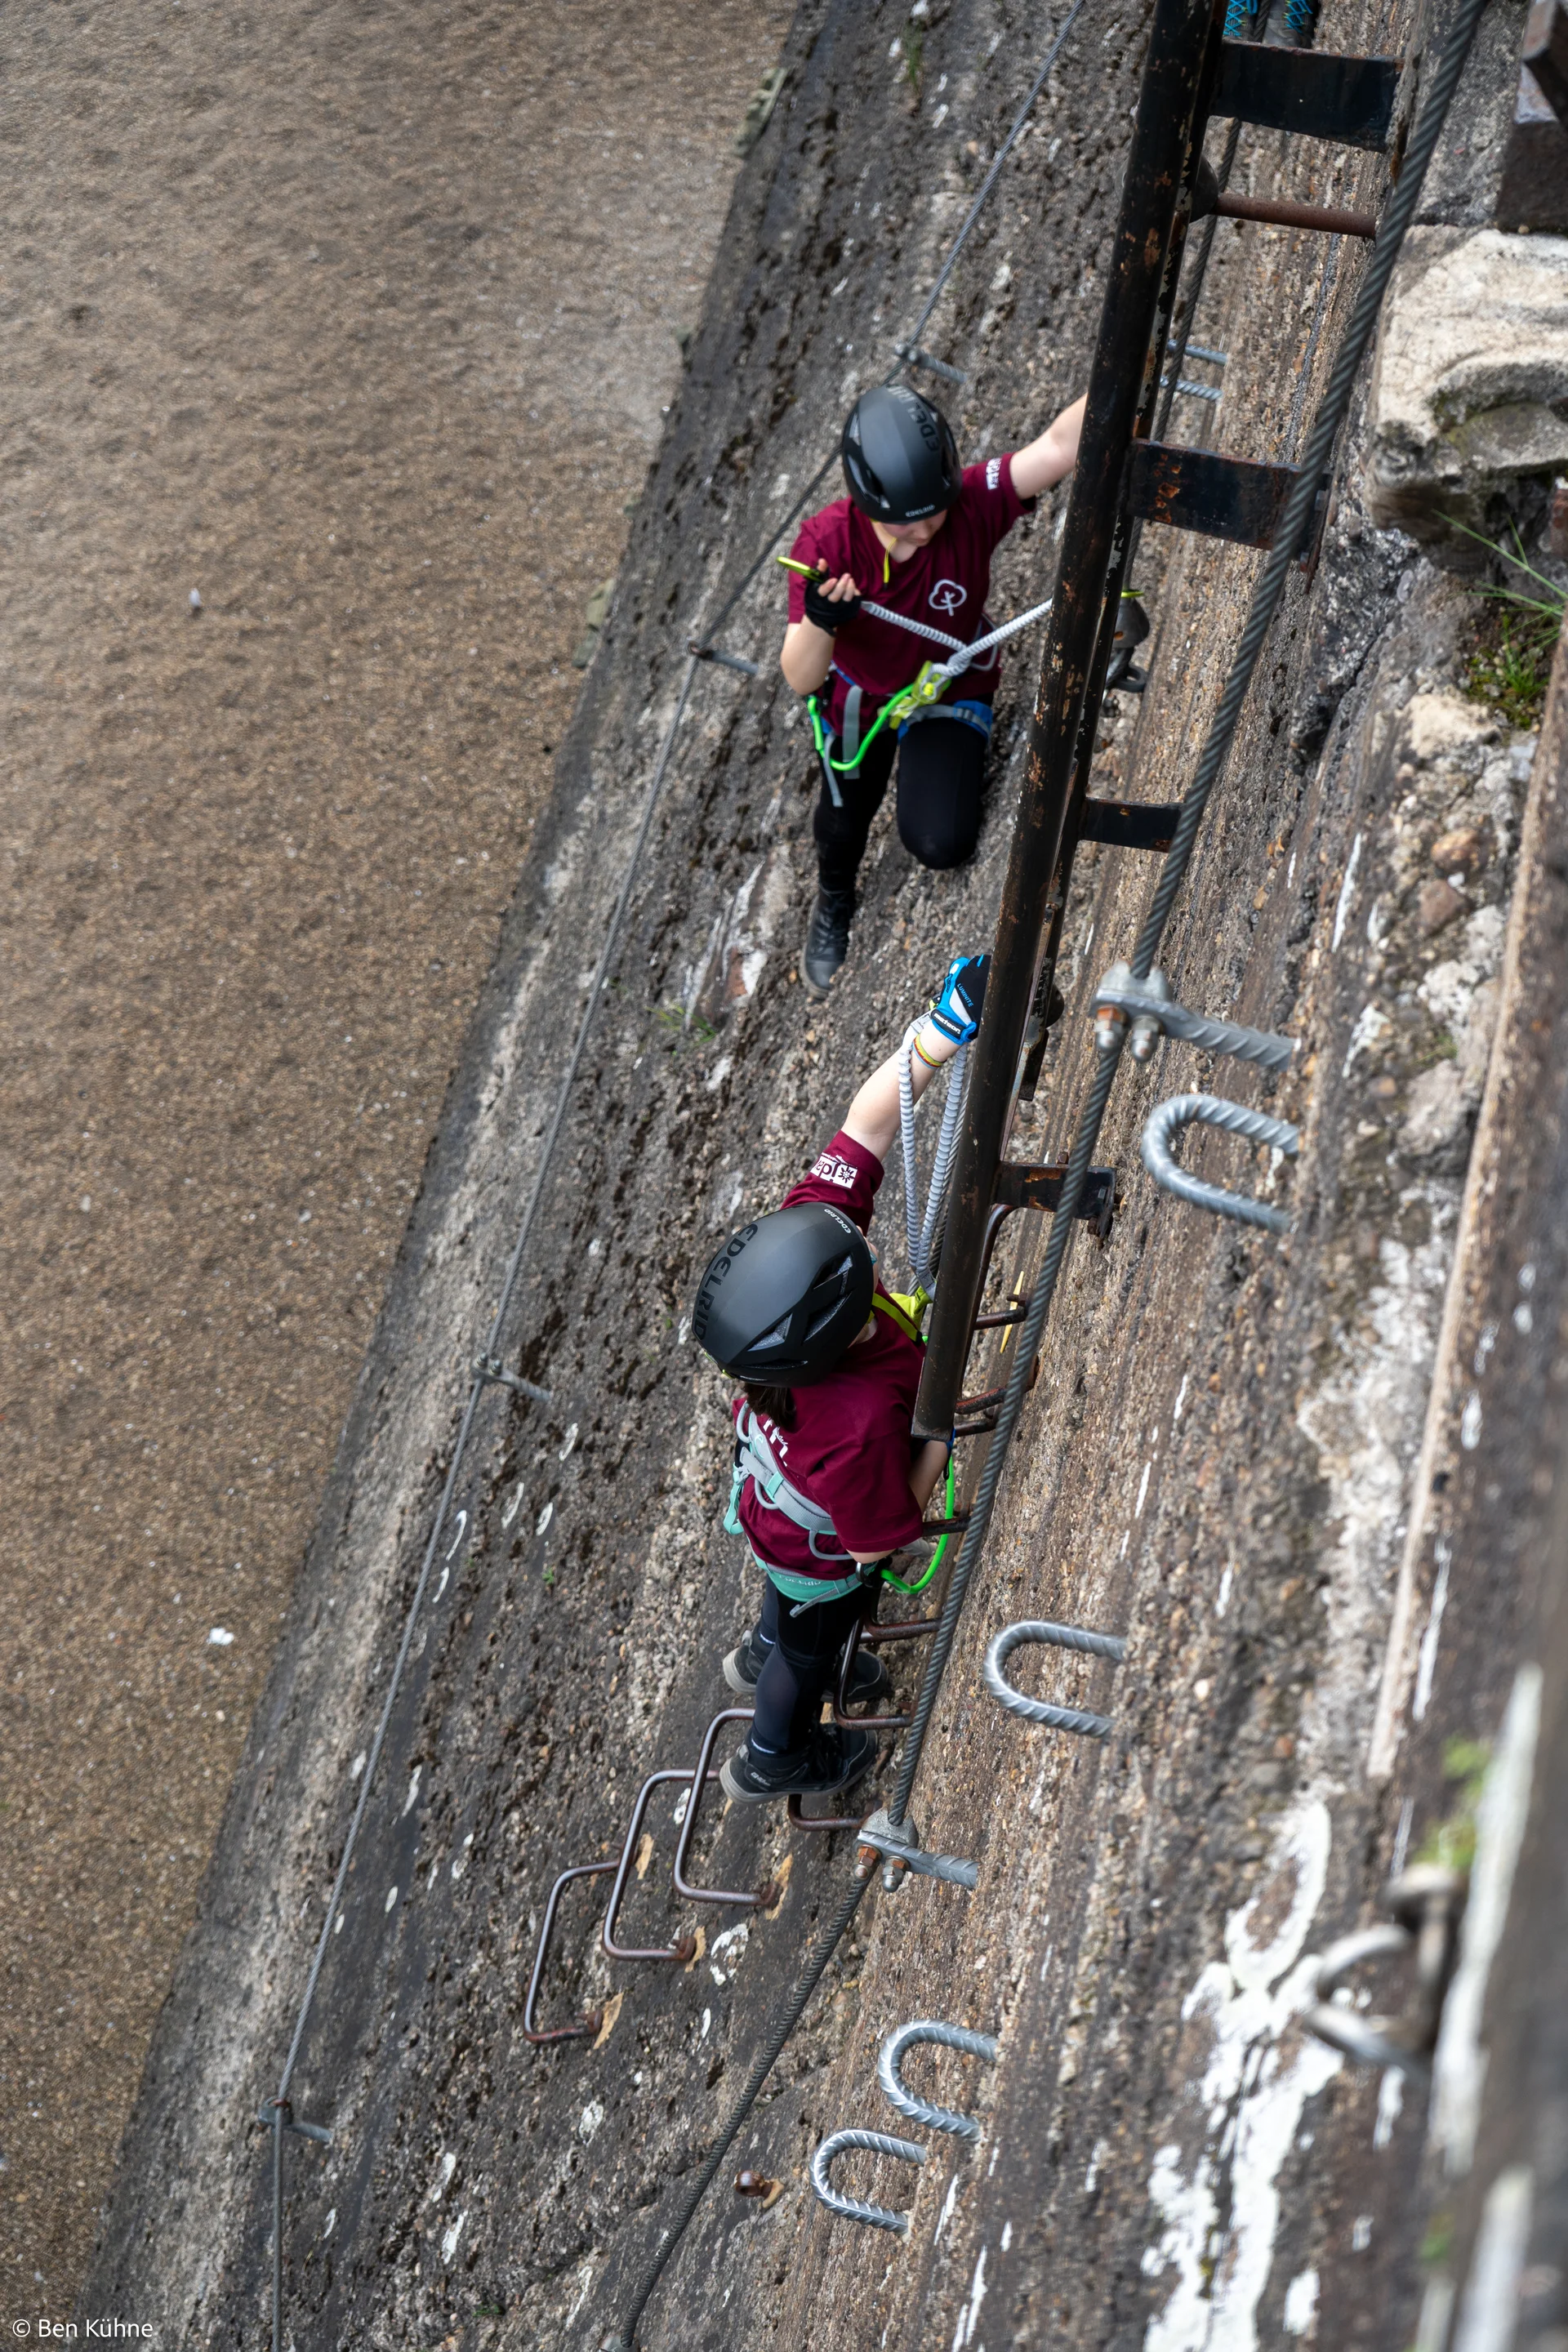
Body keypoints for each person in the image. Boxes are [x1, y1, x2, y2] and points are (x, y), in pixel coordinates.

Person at [690, 953, 989, 1802]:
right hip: (820, 1545)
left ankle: (761, 1650)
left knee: (790, 1620)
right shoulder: (855, 1423)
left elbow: (867, 1127)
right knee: (810, 1645)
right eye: (860, 1293)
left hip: (776, 1503)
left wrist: (940, 1033)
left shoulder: (803, 1246)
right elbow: (873, 1545)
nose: (860, 1258)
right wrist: (934, 1433)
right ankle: (773, 1755)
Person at [782, 382, 1085, 995]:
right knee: (842, 820)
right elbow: (801, 676)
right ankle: (834, 899)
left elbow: (1054, 449)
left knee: (940, 842)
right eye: (903, 517)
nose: (923, 529)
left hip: (950, 683)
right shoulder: (827, 547)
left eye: (933, 510)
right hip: (861, 698)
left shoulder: (972, 502)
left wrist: (1131, 367)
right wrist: (821, 620)